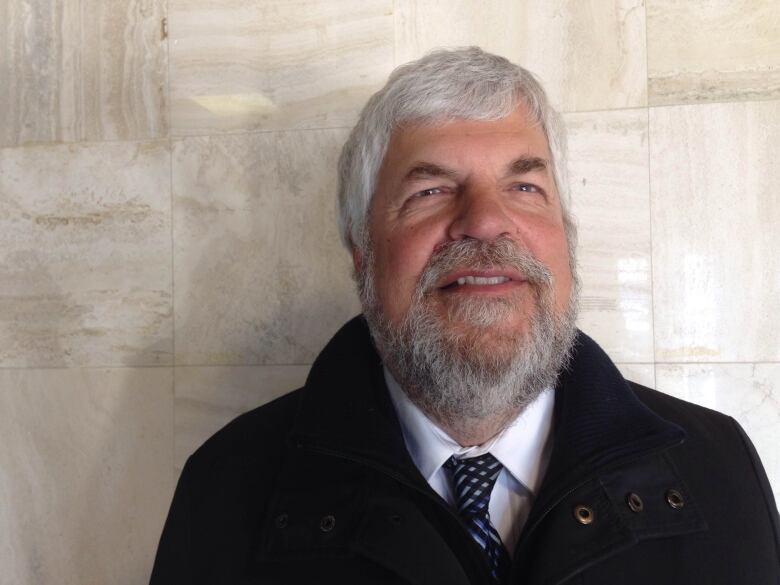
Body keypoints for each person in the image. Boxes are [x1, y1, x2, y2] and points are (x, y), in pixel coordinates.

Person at [150, 47, 780, 585]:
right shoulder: (227, 487)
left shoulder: (720, 469)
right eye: (430, 190)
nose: (484, 221)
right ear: (361, 252)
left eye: (525, 186)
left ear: (566, 232)